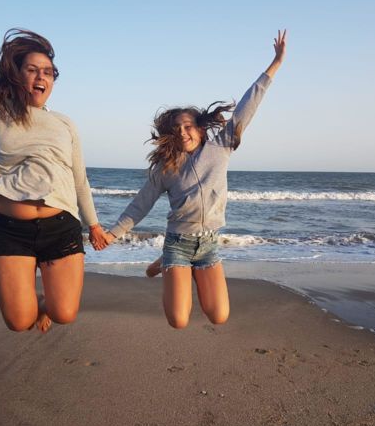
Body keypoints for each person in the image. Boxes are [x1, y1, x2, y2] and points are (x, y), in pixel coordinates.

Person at [103, 30, 287, 329]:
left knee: (219, 316)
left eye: (188, 126)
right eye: (176, 129)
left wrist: (275, 64)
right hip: (178, 243)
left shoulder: (221, 147)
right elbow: (140, 204)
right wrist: (113, 234)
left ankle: (163, 264)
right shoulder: (166, 166)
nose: (183, 132)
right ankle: (167, 261)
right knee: (178, 320)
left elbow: (247, 106)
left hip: (209, 244)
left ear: (200, 129)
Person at [0, 0, 107, 333]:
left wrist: (93, 224)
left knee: (64, 313)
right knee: (19, 322)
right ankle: (34, 301)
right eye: (32, 69)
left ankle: (45, 302)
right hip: (8, 229)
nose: (40, 76)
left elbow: (79, 178)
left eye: (47, 72)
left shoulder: (64, 124)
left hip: (60, 226)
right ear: (15, 74)